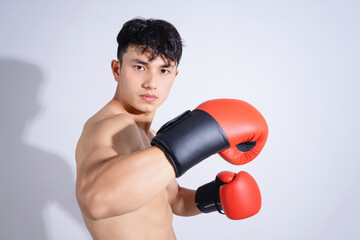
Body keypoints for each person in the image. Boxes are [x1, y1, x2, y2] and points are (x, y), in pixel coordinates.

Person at [75, 18, 268, 240]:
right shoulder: (109, 127)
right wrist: (198, 136)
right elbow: (95, 201)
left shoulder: (150, 136)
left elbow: (174, 200)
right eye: (140, 67)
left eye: (164, 70)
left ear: (174, 76)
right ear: (117, 70)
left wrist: (216, 196)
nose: (151, 83)